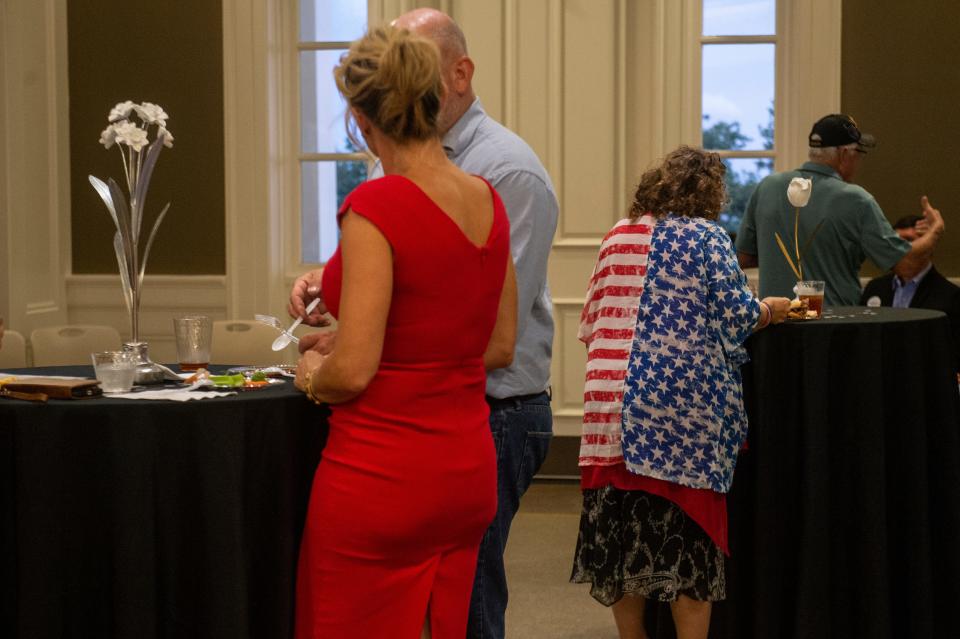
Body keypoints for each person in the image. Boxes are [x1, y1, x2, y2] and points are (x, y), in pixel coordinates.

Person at [289, 9, 559, 638]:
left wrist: (311, 372)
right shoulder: (484, 197)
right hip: (462, 472)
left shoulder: (374, 205)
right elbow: (496, 343)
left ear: (362, 120)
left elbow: (353, 371)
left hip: (383, 475)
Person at [571, 146, 790, 639]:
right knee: (688, 556)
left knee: (623, 549)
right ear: (711, 192)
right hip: (678, 424)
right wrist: (772, 309)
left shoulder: (616, 235)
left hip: (607, 416)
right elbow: (736, 317)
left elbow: (589, 325)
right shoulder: (707, 237)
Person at [736, 113, 945, 306]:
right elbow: (907, 266)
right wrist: (935, 230)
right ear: (845, 154)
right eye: (859, 153)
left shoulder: (767, 187)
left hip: (775, 330)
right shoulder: (856, 200)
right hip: (833, 330)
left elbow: (742, 259)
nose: (859, 161)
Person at [861, 214, 960, 371]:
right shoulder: (875, 288)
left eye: (908, 241)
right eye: (896, 242)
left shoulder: (950, 296)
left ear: (928, 246)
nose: (901, 249)